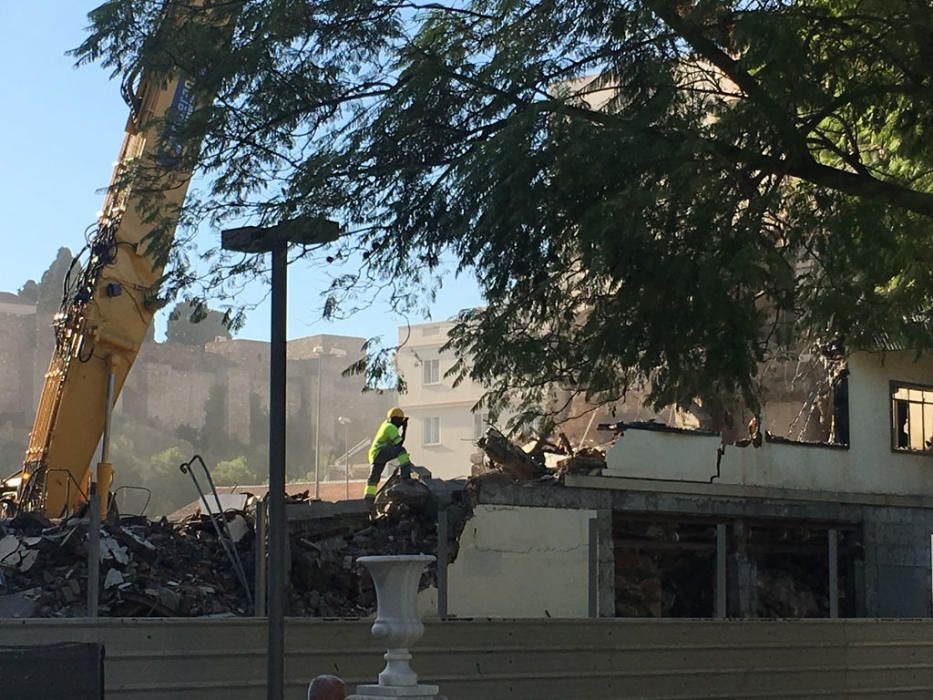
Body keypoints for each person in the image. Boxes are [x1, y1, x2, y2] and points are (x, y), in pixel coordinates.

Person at [365, 407, 413, 502]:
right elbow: (399, 444)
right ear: (395, 419)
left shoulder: (386, 425)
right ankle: (405, 476)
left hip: (375, 454)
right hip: (380, 452)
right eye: (400, 421)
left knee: (374, 478)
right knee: (401, 451)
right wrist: (404, 429)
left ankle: (368, 499)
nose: (400, 423)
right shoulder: (391, 428)